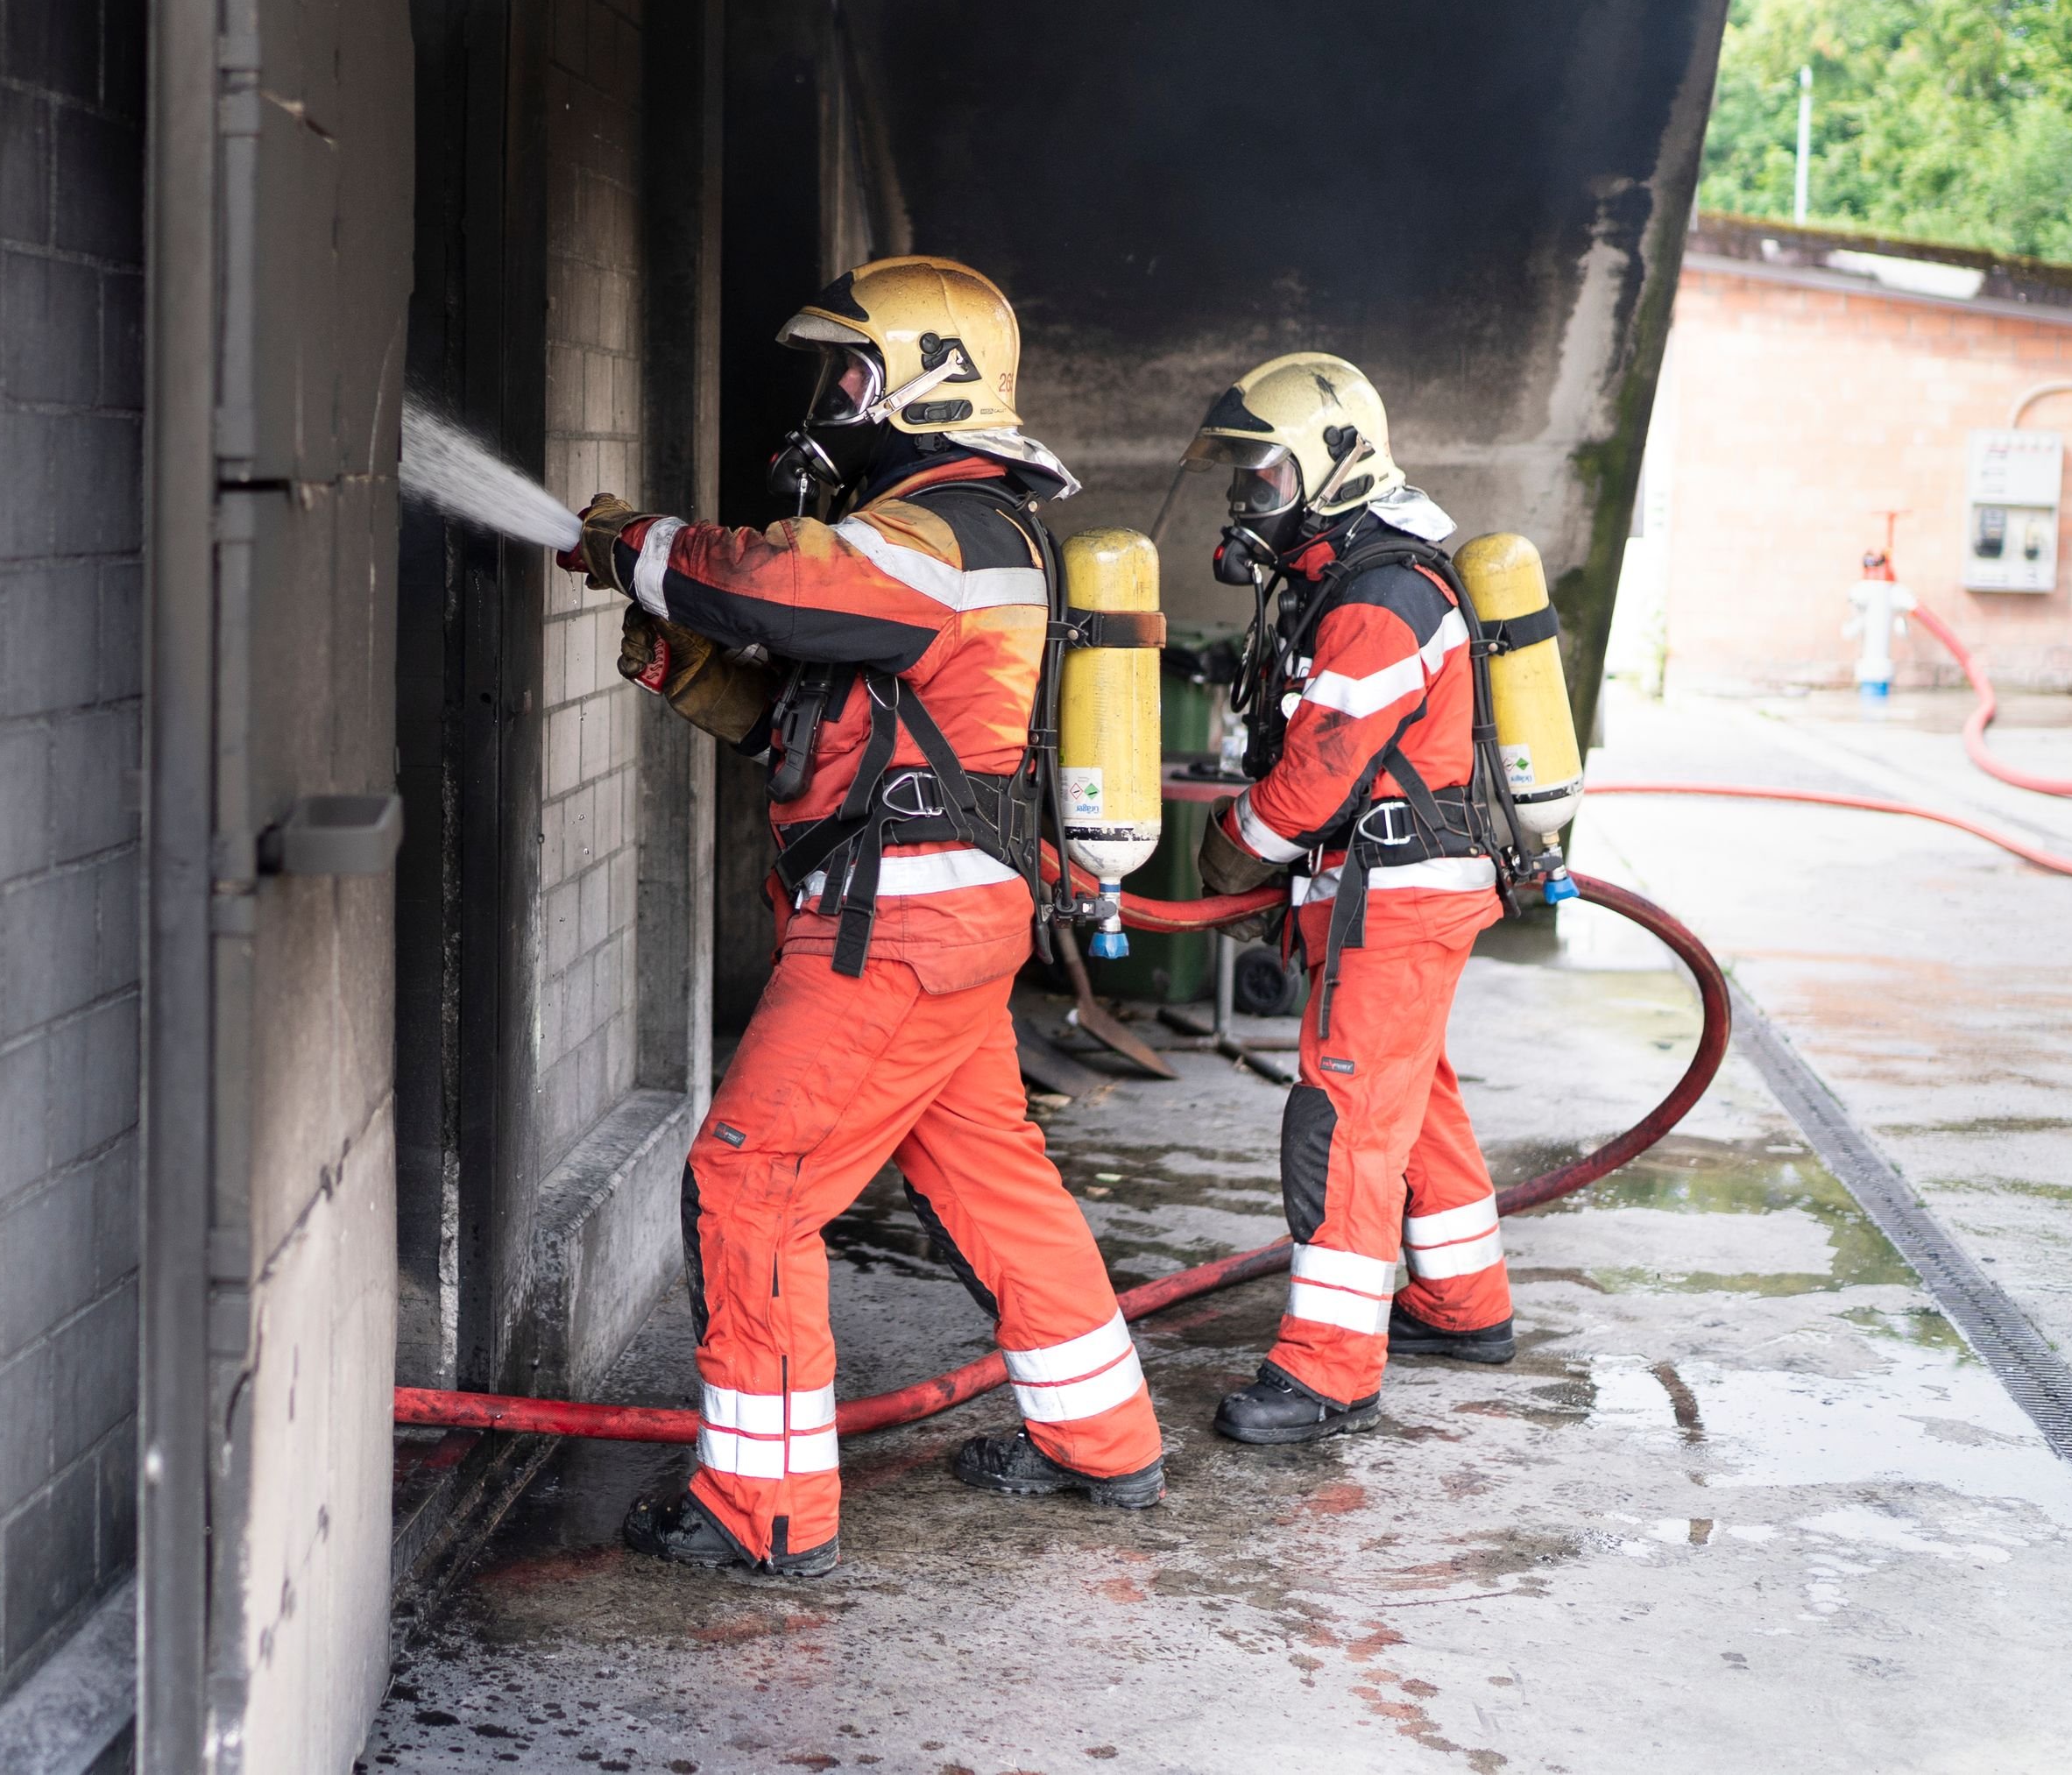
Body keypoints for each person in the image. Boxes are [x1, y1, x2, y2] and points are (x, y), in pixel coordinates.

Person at [570, 255, 1167, 1581]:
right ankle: (1104, 1437)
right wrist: (706, 677)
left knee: (748, 1182)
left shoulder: (947, 528)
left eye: (850, 371)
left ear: (925, 383)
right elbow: (850, 731)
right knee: (990, 1177)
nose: (830, 397)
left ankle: (764, 1509)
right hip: (940, 921)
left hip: (892, 934)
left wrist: (637, 545)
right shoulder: (945, 533)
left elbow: (773, 584)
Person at [1178, 352, 1519, 1446]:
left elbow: (1314, 782)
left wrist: (1230, 853)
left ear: (1334, 468)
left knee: (1342, 1124)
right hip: (1391, 894)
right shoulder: (1346, 581)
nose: (1247, 498)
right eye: (1243, 476)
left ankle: (1327, 1370)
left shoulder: (1379, 598)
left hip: (1396, 899)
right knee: (1414, 1103)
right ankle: (1463, 1304)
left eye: (1266, 474)